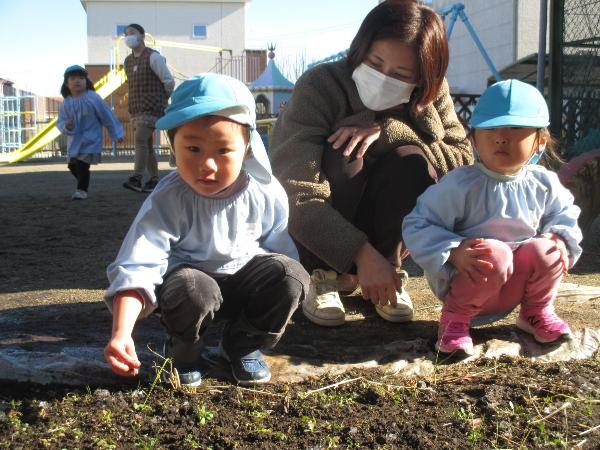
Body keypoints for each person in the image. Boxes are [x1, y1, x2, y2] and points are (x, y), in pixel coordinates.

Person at [269, 0, 472, 327]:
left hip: (387, 237)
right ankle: (323, 275)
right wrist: (362, 255)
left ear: (422, 80)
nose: (382, 78)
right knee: (346, 150)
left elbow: (462, 161)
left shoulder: (432, 95)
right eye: (375, 62)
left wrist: (392, 132)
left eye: (401, 74)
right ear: (360, 48)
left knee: (412, 161)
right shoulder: (320, 85)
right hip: (318, 236)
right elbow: (297, 195)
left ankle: (389, 272)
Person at [104, 73, 309, 386]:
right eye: (194, 149)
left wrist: (286, 305)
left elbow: (281, 251)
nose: (208, 165)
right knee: (194, 288)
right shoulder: (170, 197)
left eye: (223, 151)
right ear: (173, 146)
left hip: (244, 288)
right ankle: (185, 347)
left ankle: (242, 344)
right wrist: (121, 333)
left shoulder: (265, 192)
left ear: (248, 149)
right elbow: (138, 262)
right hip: (188, 292)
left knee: (291, 274)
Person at [402, 79, 583, 356]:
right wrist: (453, 251)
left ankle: (535, 312)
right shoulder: (461, 184)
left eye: (515, 128)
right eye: (490, 129)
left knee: (547, 249)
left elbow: (566, 214)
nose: (501, 137)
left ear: (540, 141)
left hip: (518, 285)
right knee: (494, 253)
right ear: (473, 138)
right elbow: (417, 223)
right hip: (469, 281)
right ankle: (454, 320)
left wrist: (559, 236)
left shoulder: (544, 183)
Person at [121, 23, 175, 193]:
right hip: (137, 109)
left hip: (153, 108)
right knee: (148, 144)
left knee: (140, 140)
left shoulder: (153, 57)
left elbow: (169, 81)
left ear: (142, 36)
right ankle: (153, 180)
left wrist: (162, 98)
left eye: (132, 32)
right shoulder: (128, 61)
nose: (128, 36)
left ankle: (137, 177)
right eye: (126, 34)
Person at [57, 65, 124, 200]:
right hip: (75, 140)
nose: (77, 81)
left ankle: (82, 190)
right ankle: (83, 181)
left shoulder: (94, 98)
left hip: (90, 139)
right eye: (73, 78)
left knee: (82, 165)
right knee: (72, 166)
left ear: (86, 81)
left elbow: (107, 116)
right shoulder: (66, 102)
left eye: (81, 78)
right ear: (66, 83)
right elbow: (60, 121)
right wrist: (66, 126)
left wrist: (116, 134)